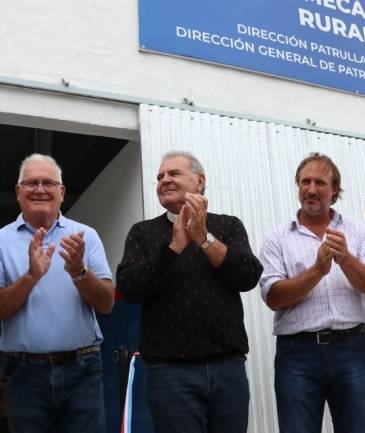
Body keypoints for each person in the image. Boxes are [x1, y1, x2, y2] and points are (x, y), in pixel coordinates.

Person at [116, 151, 262, 433]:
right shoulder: (142, 232)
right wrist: (173, 249)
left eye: (173, 174)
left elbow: (248, 276)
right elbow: (129, 287)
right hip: (170, 374)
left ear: (200, 181)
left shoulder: (228, 225)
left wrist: (203, 238)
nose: (164, 180)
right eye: (160, 176)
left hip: (227, 370)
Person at [259, 153, 365, 433]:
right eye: (305, 182)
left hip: (352, 348)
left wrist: (346, 259)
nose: (311, 189)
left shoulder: (358, 232)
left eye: (320, 182)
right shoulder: (278, 237)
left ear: (335, 189)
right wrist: (317, 270)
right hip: (297, 353)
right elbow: (273, 297)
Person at [0, 153, 114, 433]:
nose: (40, 189)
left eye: (48, 183)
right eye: (31, 183)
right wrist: (32, 276)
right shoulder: (1, 240)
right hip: (23, 374)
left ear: (61, 193)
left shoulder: (86, 235)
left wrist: (78, 271)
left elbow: (106, 303)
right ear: (18, 192)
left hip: (83, 371)